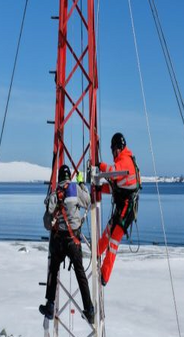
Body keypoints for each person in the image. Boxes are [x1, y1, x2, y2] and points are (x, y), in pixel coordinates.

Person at [39, 164, 95, 324]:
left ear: (59, 178)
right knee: (80, 273)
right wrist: (82, 183)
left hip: (58, 240)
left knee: (53, 270)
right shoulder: (75, 189)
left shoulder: (54, 193)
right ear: (69, 176)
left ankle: (50, 305)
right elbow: (88, 201)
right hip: (73, 240)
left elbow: (47, 221)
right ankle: (89, 309)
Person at [97, 132, 140, 285]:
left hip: (127, 209)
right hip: (122, 207)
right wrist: (99, 188)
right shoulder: (125, 160)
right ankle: (96, 253)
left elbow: (113, 172)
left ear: (117, 148)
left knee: (113, 241)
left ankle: (104, 275)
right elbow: (116, 187)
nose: (113, 153)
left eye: (113, 150)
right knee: (107, 232)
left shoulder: (125, 160)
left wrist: (98, 165)